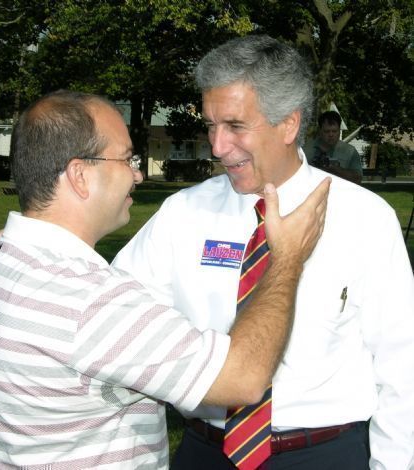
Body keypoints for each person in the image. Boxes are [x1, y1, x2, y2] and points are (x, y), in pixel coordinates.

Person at [0, 90, 330, 469]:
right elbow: (241, 378)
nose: (136, 176)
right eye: (126, 160)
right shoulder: (90, 302)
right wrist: (286, 260)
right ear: (80, 175)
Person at [112, 35, 414, 469]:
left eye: (235, 126)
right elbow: (113, 309)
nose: (217, 146)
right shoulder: (184, 212)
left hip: (323, 455)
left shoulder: (365, 219)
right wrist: (39, 250)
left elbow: (401, 365)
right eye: (210, 126)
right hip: (205, 453)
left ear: (289, 124)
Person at [304, 110, 363, 184]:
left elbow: (358, 179)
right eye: (327, 131)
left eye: (334, 131)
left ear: (339, 131)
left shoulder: (350, 151)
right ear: (320, 131)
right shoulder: (306, 149)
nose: (331, 135)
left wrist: (336, 169)